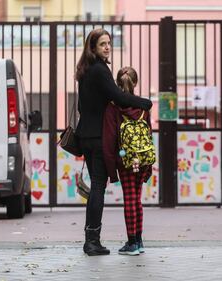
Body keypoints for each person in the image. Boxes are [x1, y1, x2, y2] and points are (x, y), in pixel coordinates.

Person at [75, 29, 152, 256]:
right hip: (98, 137)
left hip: (85, 137)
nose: (107, 47)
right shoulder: (100, 69)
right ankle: (92, 241)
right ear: (93, 48)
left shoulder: (85, 71)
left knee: (96, 186)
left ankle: (91, 238)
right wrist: (144, 103)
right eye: (102, 44)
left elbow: (81, 107)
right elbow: (118, 97)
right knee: (98, 186)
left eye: (109, 43)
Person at [102, 66, 153, 256]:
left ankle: (131, 242)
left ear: (116, 84)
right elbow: (148, 133)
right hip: (143, 157)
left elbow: (109, 138)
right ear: (136, 83)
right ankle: (138, 240)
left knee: (129, 199)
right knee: (137, 200)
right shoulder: (143, 106)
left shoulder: (113, 107)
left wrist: (111, 170)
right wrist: (149, 165)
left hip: (125, 159)